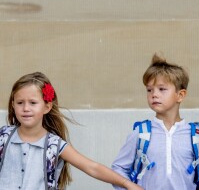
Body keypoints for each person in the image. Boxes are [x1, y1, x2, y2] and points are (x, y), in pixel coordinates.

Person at [112, 53, 199, 189]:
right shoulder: (140, 133)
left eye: (162, 89)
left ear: (180, 95)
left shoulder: (197, 135)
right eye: (149, 90)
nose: (154, 94)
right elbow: (118, 170)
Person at [0, 72, 143, 190]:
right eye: (20, 103)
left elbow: (92, 167)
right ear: (13, 105)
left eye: (33, 103)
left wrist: (126, 183)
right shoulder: (3, 137)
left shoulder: (54, 144)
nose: (25, 108)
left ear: (47, 107)